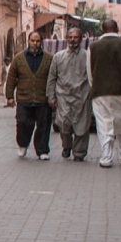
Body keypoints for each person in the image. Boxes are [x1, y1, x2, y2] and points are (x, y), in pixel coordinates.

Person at [87, 19, 121, 168]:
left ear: (102, 29)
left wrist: (95, 86)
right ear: (117, 28)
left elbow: (89, 71)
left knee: (104, 124)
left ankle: (106, 158)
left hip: (100, 92)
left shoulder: (93, 47)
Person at [6, 31, 53, 160]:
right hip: (23, 98)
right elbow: (11, 78)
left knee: (43, 126)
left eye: (37, 41)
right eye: (32, 40)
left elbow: (53, 78)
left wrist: (53, 97)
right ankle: (22, 145)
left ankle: (42, 150)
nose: (35, 43)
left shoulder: (49, 58)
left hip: (42, 99)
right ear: (28, 41)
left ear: (41, 42)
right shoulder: (19, 58)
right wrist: (9, 96)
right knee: (22, 123)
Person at [47, 27, 90, 161]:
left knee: (82, 126)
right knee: (64, 125)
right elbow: (52, 78)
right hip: (63, 97)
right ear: (66, 38)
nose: (72, 40)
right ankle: (67, 146)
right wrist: (51, 97)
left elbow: (92, 76)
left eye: (76, 37)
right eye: (70, 37)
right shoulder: (58, 57)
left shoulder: (87, 56)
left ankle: (79, 153)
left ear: (81, 39)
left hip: (82, 97)